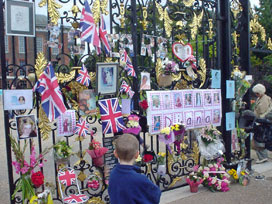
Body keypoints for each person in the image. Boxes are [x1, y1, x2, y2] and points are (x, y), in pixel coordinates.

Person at [108, 134, 161, 204]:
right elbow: (155, 195)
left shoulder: (113, 174)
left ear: (115, 153)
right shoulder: (140, 179)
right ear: (137, 154)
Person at [252, 84, 272, 164]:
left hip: (261, 122)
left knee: (260, 140)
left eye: (256, 93)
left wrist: (258, 120)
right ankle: (262, 156)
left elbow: (262, 112)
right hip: (261, 122)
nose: (256, 94)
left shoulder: (264, 100)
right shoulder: (261, 98)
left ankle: (263, 157)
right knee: (259, 139)